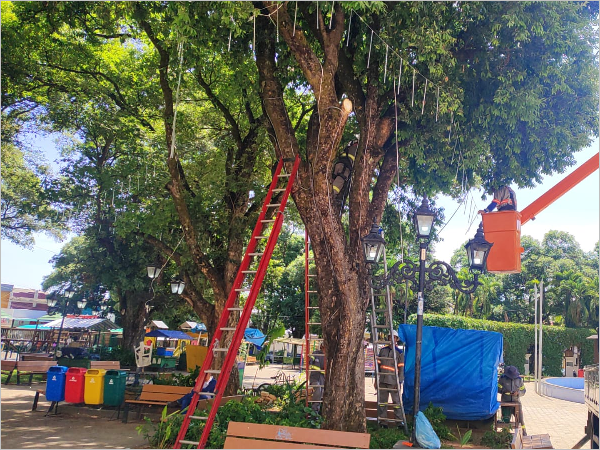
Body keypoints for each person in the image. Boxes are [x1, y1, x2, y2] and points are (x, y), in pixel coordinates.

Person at [375, 330, 405, 427]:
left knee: (396, 403)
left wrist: (399, 382)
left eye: (394, 337)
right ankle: (383, 422)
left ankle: (399, 422)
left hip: (393, 382)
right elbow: (378, 366)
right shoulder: (383, 351)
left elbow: (401, 368)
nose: (391, 338)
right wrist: (376, 380)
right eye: (390, 337)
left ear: (396, 339)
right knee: (382, 403)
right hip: (383, 380)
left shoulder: (399, 353)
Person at [498, 365, 527, 434]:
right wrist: (504, 391)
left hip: (516, 403)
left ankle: (524, 433)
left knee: (520, 420)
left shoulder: (519, 379)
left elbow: (523, 391)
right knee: (505, 421)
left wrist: (518, 393)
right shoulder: (502, 378)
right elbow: (498, 389)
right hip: (505, 403)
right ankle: (506, 434)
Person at [309, 342, 326, 412]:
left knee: (322, 392)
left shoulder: (327, 356)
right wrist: (310, 360)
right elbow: (310, 359)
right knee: (318, 389)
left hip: (323, 378)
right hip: (314, 377)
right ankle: (314, 411)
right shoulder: (316, 353)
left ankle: (321, 410)